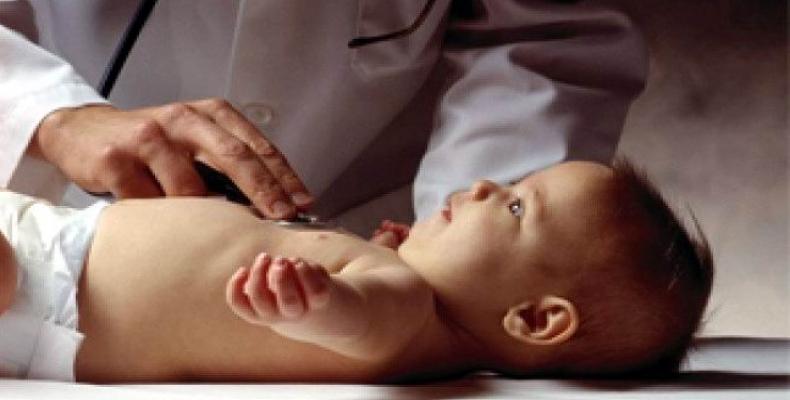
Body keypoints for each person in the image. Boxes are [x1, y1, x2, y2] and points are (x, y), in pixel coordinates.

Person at [0, 160, 713, 382]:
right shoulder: (411, 294)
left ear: (533, 318)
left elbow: (361, 323)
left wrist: (320, 300)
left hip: (49, 290)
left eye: (520, 207)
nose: (491, 186)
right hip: (57, 256)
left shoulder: (399, 307)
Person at [0, 1, 647, 234]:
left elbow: (543, 37)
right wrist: (47, 114)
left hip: (376, 228)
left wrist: (453, 262)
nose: (485, 196)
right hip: (57, 210)